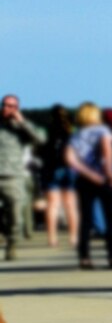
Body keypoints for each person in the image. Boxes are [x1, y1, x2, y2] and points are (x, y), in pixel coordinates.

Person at [65, 102, 112, 270]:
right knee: (111, 218)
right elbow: (106, 152)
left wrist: (88, 174)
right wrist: (108, 173)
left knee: (86, 219)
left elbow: (70, 158)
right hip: (103, 177)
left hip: (83, 179)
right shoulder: (102, 131)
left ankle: (85, 257)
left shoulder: (76, 135)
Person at [0, 93, 48, 259]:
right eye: (6, 105)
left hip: (12, 176)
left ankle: (12, 245)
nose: (8, 109)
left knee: (16, 215)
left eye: (13, 106)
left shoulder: (22, 128)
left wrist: (22, 123)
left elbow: (40, 140)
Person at [40, 104, 77, 250]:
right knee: (70, 205)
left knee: (52, 205)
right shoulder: (72, 130)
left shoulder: (46, 130)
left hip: (51, 167)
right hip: (69, 168)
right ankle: (73, 237)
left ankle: (52, 237)